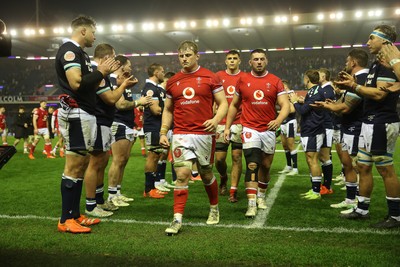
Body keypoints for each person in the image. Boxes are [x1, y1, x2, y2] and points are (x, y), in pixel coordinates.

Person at [55, 15, 120, 233]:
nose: (95, 36)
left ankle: (75, 214)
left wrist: (101, 73)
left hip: (85, 113)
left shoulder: (81, 54)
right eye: (93, 32)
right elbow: (75, 83)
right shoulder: (69, 50)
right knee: (73, 167)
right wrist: (101, 72)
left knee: (81, 166)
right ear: (83, 31)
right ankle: (65, 220)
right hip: (76, 113)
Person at [160, 40, 228, 235]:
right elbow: (167, 109)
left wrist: (216, 120)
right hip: (181, 134)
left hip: (204, 134)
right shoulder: (173, 81)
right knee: (182, 174)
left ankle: (214, 208)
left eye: (188, 55)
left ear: (197, 56)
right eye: (181, 56)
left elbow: (223, 103)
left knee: (206, 173)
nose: (184, 59)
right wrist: (164, 132)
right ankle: (177, 219)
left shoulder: (210, 77)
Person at [336, 25, 400, 229]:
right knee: (362, 166)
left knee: (385, 170)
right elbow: (371, 91)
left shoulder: (388, 66)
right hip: (368, 122)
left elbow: (380, 94)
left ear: (385, 41)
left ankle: (396, 216)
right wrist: (352, 85)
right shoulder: (375, 65)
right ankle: (362, 209)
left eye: (372, 38)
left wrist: (355, 86)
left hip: (381, 122)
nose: (368, 42)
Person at [224, 48, 290, 217]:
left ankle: (261, 195)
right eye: (256, 59)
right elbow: (234, 105)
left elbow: (285, 105)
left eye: (262, 59)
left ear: (266, 61)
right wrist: (227, 127)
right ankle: (251, 203)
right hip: (249, 128)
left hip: (268, 129)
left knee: (266, 166)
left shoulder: (275, 81)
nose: (259, 62)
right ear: (250, 62)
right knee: (252, 164)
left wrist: (278, 120)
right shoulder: (243, 79)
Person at [84, 44, 137, 218]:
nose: (116, 61)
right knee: (95, 164)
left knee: (102, 162)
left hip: (105, 123)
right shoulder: (97, 74)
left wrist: (123, 83)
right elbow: (110, 99)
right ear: (106, 58)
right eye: (114, 57)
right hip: (98, 121)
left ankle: (99, 201)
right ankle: (91, 205)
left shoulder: (103, 75)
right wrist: (123, 86)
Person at [312, 48, 369, 210]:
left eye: (346, 61)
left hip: (356, 127)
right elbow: (343, 103)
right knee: (346, 163)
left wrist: (327, 106)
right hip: (347, 126)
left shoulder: (361, 78)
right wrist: (332, 104)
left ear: (353, 62)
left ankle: (360, 200)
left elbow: (345, 108)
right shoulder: (356, 78)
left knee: (357, 165)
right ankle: (351, 199)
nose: (345, 64)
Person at [107, 55, 151, 207]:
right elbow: (120, 105)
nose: (131, 68)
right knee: (118, 160)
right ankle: (112, 195)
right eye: (129, 65)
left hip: (126, 124)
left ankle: (117, 193)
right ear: (121, 65)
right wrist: (139, 102)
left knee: (123, 161)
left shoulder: (121, 83)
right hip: (118, 122)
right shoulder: (112, 81)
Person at [289, 70, 325, 200]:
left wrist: (294, 101)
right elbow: (309, 107)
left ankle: (316, 192)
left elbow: (303, 111)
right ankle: (314, 189)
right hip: (309, 129)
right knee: (310, 159)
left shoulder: (316, 92)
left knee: (313, 159)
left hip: (313, 130)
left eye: (304, 78)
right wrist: (302, 101)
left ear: (307, 79)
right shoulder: (313, 92)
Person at [215, 50, 245, 202]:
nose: (232, 61)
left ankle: (233, 190)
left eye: (235, 58)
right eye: (229, 59)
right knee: (219, 159)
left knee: (236, 156)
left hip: (239, 122)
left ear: (240, 61)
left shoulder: (244, 77)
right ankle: (223, 177)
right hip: (221, 122)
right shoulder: (218, 76)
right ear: (225, 61)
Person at [142, 63, 169, 198]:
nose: (163, 74)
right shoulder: (150, 89)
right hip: (152, 126)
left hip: (157, 126)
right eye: (162, 71)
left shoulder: (157, 89)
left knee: (156, 155)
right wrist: (168, 112)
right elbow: (155, 110)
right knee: (152, 156)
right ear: (156, 72)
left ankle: (152, 187)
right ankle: (148, 189)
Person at [317, 68, 336, 195]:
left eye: (319, 75)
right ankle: (325, 185)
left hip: (326, 125)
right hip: (323, 125)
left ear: (324, 76)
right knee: (322, 156)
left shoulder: (327, 90)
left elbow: (322, 105)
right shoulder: (324, 89)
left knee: (325, 156)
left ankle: (327, 186)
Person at [278, 80, 298, 176]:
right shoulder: (281, 95)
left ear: (286, 86)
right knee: (285, 145)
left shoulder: (291, 94)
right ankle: (289, 166)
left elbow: (293, 110)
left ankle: (295, 168)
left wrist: (281, 112)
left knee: (291, 145)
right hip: (283, 122)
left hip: (290, 122)